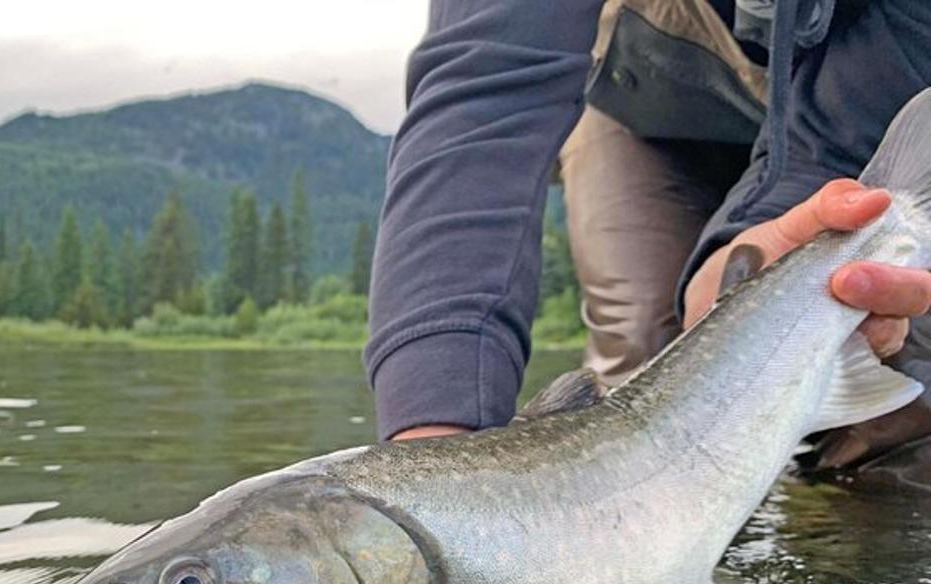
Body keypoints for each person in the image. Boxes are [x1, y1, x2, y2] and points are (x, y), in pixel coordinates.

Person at [366, 0, 931, 470]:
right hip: (645, 103)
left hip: (871, 106)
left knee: (884, 388)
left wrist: (774, 284)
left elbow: (838, 144)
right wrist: (433, 435)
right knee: (635, 369)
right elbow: (483, 100)